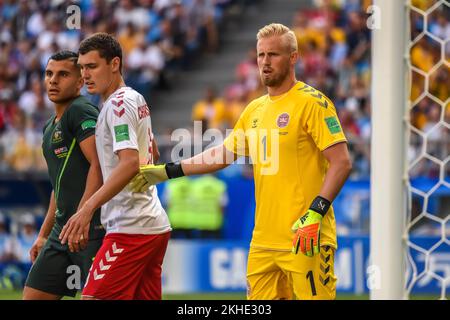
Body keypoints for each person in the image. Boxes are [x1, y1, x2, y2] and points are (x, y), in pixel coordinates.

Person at [131, 23, 352, 300]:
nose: (265, 62)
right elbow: (223, 154)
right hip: (263, 242)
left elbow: (341, 162)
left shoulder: (313, 103)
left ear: (293, 57)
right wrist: (168, 171)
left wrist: (315, 213)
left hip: (305, 236)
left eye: (274, 55)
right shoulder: (254, 109)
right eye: (261, 55)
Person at [59, 33, 171, 300]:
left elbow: (130, 162)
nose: (85, 74)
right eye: (82, 68)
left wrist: (87, 209)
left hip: (131, 228)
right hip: (152, 225)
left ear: (114, 64)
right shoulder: (133, 98)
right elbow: (150, 152)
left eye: (92, 66)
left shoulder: (118, 104)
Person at [23, 51, 105, 300]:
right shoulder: (49, 126)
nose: (53, 80)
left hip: (91, 231)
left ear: (80, 81)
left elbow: (99, 165)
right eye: (49, 74)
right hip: (62, 232)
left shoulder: (80, 111)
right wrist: (43, 234)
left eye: (63, 74)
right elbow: (58, 186)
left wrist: (83, 216)